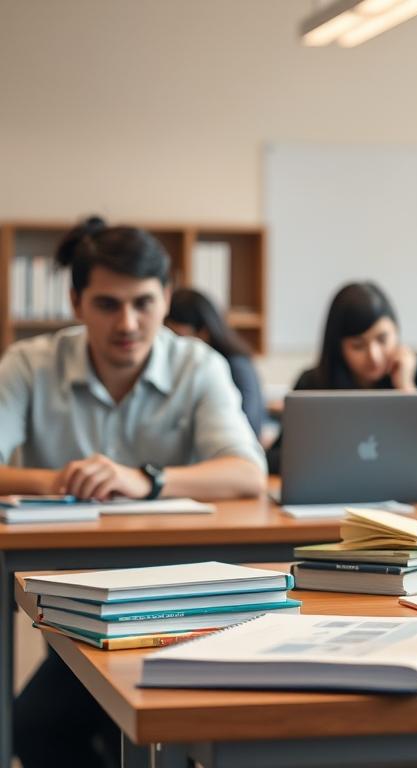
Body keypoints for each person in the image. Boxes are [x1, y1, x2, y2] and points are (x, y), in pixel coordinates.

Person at [0, 217, 267, 768]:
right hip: (72, 601)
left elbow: (247, 472)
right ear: (75, 302)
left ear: (167, 297)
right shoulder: (29, 363)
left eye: (144, 302)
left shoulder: (200, 364)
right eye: (107, 304)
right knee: (33, 729)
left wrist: (147, 479)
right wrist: (59, 480)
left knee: (183, 723)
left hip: (181, 601)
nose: (128, 322)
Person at [265, 281, 417, 473]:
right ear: (339, 348)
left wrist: (407, 390)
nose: (374, 355)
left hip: (409, 498)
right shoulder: (314, 382)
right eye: (358, 345)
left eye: (382, 339)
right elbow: (275, 458)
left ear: (397, 332)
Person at [166, 287, 266, 436]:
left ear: (203, 333)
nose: (171, 345)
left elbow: (246, 430)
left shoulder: (236, 367)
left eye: (177, 337)